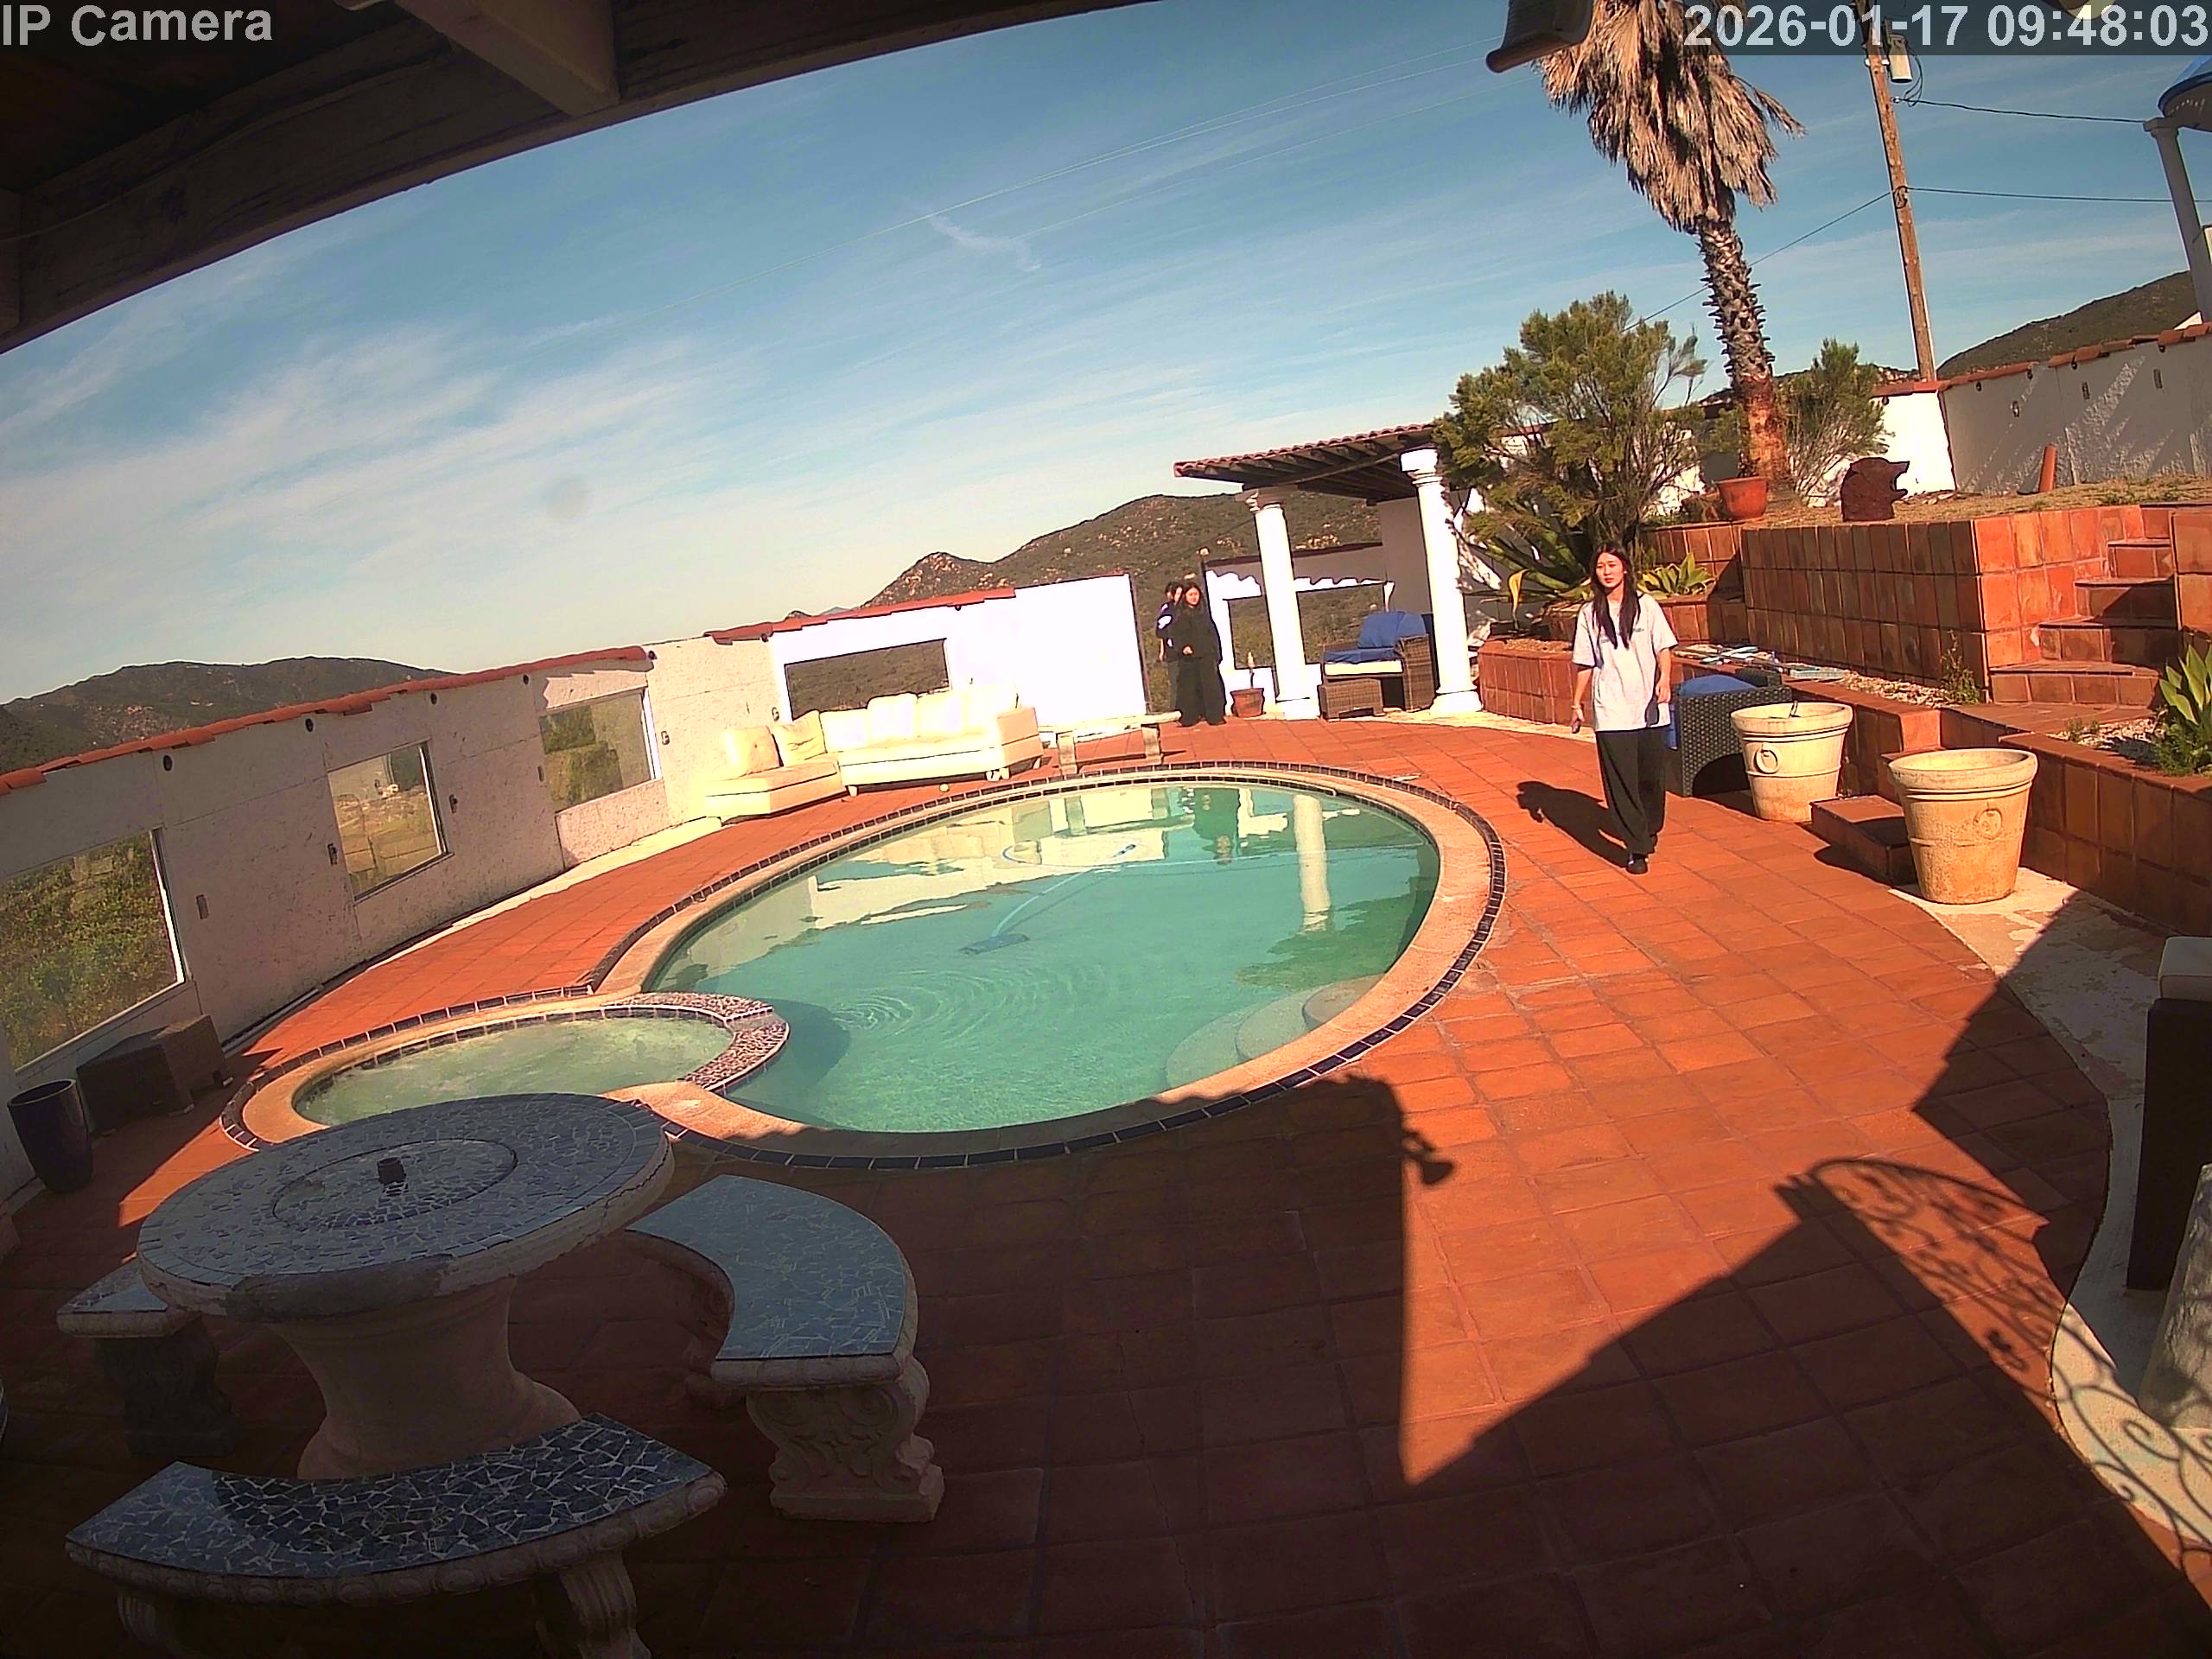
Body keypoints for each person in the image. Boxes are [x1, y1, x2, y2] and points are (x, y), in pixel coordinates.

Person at [1569, 546, 1675, 875]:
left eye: (1612, 565)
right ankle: (1636, 847)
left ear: (1625, 569)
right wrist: (1577, 703)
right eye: (1600, 566)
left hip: (1649, 707)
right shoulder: (1589, 614)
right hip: (1611, 708)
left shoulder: (1646, 606)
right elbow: (1585, 663)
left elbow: (1664, 647)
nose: (1607, 571)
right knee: (1621, 781)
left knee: (1651, 779)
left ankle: (1649, 827)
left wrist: (1665, 679)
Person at [1166, 580, 1228, 727]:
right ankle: (1190, 717)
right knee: (1189, 688)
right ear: (1185, 596)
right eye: (1191, 595)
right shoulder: (1180, 614)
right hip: (1188, 658)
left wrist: (1216, 653)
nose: (1194, 597)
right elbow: (1175, 634)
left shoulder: (1203, 613)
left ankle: (1214, 716)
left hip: (1206, 654)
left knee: (1211, 687)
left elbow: (1212, 634)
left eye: (1196, 594)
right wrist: (1183, 647)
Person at [1154, 579, 1182, 664]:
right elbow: (1161, 632)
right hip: (1173, 653)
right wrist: (1162, 651)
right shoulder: (1167, 610)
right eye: (1177, 593)